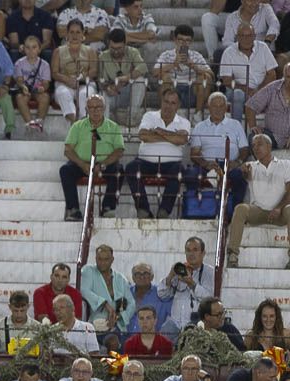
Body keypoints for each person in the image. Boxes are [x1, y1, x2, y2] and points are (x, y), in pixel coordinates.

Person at [124, 89, 190, 220]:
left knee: (179, 171)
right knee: (131, 168)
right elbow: (143, 135)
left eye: (172, 103)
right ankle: (143, 210)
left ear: (178, 106)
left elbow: (182, 140)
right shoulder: (150, 116)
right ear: (161, 101)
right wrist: (171, 136)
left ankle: (164, 211)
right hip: (145, 161)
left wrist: (159, 132)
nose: (168, 106)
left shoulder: (184, 122)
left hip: (171, 164)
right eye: (166, 101)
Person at [226, 134, 290, 270]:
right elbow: (245, 176)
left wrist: (278, 208)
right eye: (253, 146)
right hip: (259, 211)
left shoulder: (286, 164)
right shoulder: (250, 166)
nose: (256, 148)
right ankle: (232, 255)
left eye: (259, 144)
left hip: (280, 213)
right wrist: (243, 171)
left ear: (269, 146)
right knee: (241, 208)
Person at [185, 91, 248, 221]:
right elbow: (194, 154)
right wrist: (206, 164)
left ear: (226, 108)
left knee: (240, 176)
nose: (218, 109)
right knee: (190, 174)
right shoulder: (200, 127)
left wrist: (237, 162)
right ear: (209, 107)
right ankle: (196, 210)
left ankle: (235, 215)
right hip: (207, 165)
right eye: (215, 106)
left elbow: (244, 149)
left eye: (221, 106)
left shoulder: (235, 125)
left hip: (230, 164)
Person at [80, 243, 134, 350]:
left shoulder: (120, 278)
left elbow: (130, 302)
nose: (102, 263)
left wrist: (117, 316)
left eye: (106, 259)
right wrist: (104, 304)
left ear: (112, 259)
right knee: (113, 342)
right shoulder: (88, 271)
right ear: (95, 258)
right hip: (97, 325)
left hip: (118, 326)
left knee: (128, 344)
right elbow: (84, 290)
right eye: (99, 259)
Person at [160, 237, 216, 334]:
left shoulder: (210, 272)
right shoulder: (180, 269)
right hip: (175, 324)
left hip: (197, 325)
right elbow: (162, 295)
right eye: (188, 250)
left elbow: (210, 300)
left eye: (195, 250)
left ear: (203, 253)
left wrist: (191, 283)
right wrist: (171, 275)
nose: (191, 254)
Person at [155, 24, 212, 119]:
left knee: (205, 77)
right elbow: (155, 72)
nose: (184, 43)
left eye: (187, 40)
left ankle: (198, 115)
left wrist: (193, 66)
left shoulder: (196, 55)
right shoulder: (166, 54)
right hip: (173, 90)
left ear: (191, 42)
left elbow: (211, 74)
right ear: (175, 40)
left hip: (192, 91)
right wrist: (173, 64)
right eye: (181, 40)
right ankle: (164, 113)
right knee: (163, 76)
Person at [51, 20, 97, 124]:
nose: (74, 35)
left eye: (78, 32)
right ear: (67, 34)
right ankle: (74, 123)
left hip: (85, 84)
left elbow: (94, 71)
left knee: (85, 94)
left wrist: (80, 79)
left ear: (82, 34)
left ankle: (84, 123)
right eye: (71, 32)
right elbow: (54, 73)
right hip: (64, 84)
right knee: (63, 93)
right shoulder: (58, 51)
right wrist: (67, 80)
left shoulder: (90, 51)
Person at [127, 262, 171, 335]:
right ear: (133, 278)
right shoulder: (126, 293)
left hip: (153, 341)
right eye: (138, 274)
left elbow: (173, 319)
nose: (142, 277)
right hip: (126, 341)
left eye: (146, 273)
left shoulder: (162, 294)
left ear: (152, 277)